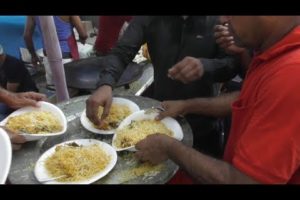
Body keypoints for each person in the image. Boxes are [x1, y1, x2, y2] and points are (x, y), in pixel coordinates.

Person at [135, 16, 300, 184]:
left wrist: (170, 148)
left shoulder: (291, 74)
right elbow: (248, 99)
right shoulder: (272, 51)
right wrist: (186, 106)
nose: (222, 19)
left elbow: (245, 180)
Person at [86, 16, 241, 158]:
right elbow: (122, 52)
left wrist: (205, 66)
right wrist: (105, 83)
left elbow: (233, 64)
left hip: (203, 122)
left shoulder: (218, 20)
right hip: (159, 118)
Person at [24, 16, 88, 89]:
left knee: (54, 91)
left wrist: (33, 56)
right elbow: (83, 34)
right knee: (73, 92)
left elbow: (27, 36)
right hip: (67, 59)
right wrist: (82, 39)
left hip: (48, 59)